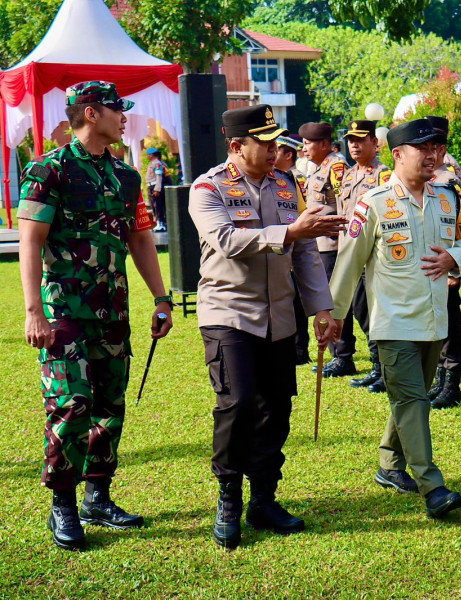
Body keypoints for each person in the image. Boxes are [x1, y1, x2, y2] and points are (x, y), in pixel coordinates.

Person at [17, 81, 173, 550]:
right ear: (89, 113)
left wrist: (161, 299)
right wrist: (34, 313)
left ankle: (97, 497)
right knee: (71, 405)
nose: (124, 116)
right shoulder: (49, 169)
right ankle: (63, 505)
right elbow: (31, 240)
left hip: (113, 309)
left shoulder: (125, 175)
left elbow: (140, 239)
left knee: (110, 405)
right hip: (64, 310)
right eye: (116, 109)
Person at [189, 104, 345, 548]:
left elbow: (307, 252)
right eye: (267, 141)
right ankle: (229, 498)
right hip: (228, 314)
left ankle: (264, 497)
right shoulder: (208, 187)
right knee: (236, 405)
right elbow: (225, 241)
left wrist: (320, 308)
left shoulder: (285, 183)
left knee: (276, 407)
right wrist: (291, 232)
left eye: (277, 140)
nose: (277, 148)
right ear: (237, 146)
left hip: (279, 317)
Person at [329, 118, 461, 518]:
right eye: (423, 149)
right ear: (397, 154)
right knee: (413, 400)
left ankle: (389, 464)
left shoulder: (448, 198)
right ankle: (432, 486)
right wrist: (334, 315)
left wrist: (455, 257)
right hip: (393, 322)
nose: (433, 156)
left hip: (435, 320)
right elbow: (349, 262)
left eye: (439, 148)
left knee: (410, 398)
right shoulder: (374, 202)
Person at [338, 120, 393, 393]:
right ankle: (377, 366)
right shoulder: (348, 176)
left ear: (376, 143)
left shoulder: (384, 175)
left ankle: (386, 370)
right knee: (361, 311)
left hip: (375, 257)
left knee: (377, 313)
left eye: (360, 140)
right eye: (350, 140)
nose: (354, 145)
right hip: (352, 254)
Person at [301, 121, 354, 377]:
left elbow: (344, 204)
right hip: (320, 243)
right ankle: (338, 354)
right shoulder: (319, 167)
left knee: (333, 302)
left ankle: (343, 356)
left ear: (323, 143)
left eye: (308, 143)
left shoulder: (337, 167)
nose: (303, 148)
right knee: (326, 300)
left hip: (332, 244)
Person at [424, 115, 461, 409]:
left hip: (447, 263)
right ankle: (441, 379)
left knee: (451, 323)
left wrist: (455, 268)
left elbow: (460, 225)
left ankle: (452, 383)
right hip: (432, 263)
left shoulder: (449, 178)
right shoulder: (429, 175)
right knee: (439, 322)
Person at [275, 134, 313, 365]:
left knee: (297, 305)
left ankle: (300, 350)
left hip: (292, 249)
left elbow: (302, 218)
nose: (272, 153)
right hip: (278, 247)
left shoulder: (295, 180)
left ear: (288, 155)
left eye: (277, 149)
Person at [145, 147, 170, 232]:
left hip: (155, 187)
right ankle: (159, 222)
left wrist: (157, 189)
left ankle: (161, 224)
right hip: (151, 186)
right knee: (154, 206)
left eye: (148, 155)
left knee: (158, 206)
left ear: (151, 155)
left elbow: (159, 177)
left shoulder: (157, 164)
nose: (147, 157)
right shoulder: (153, 163)